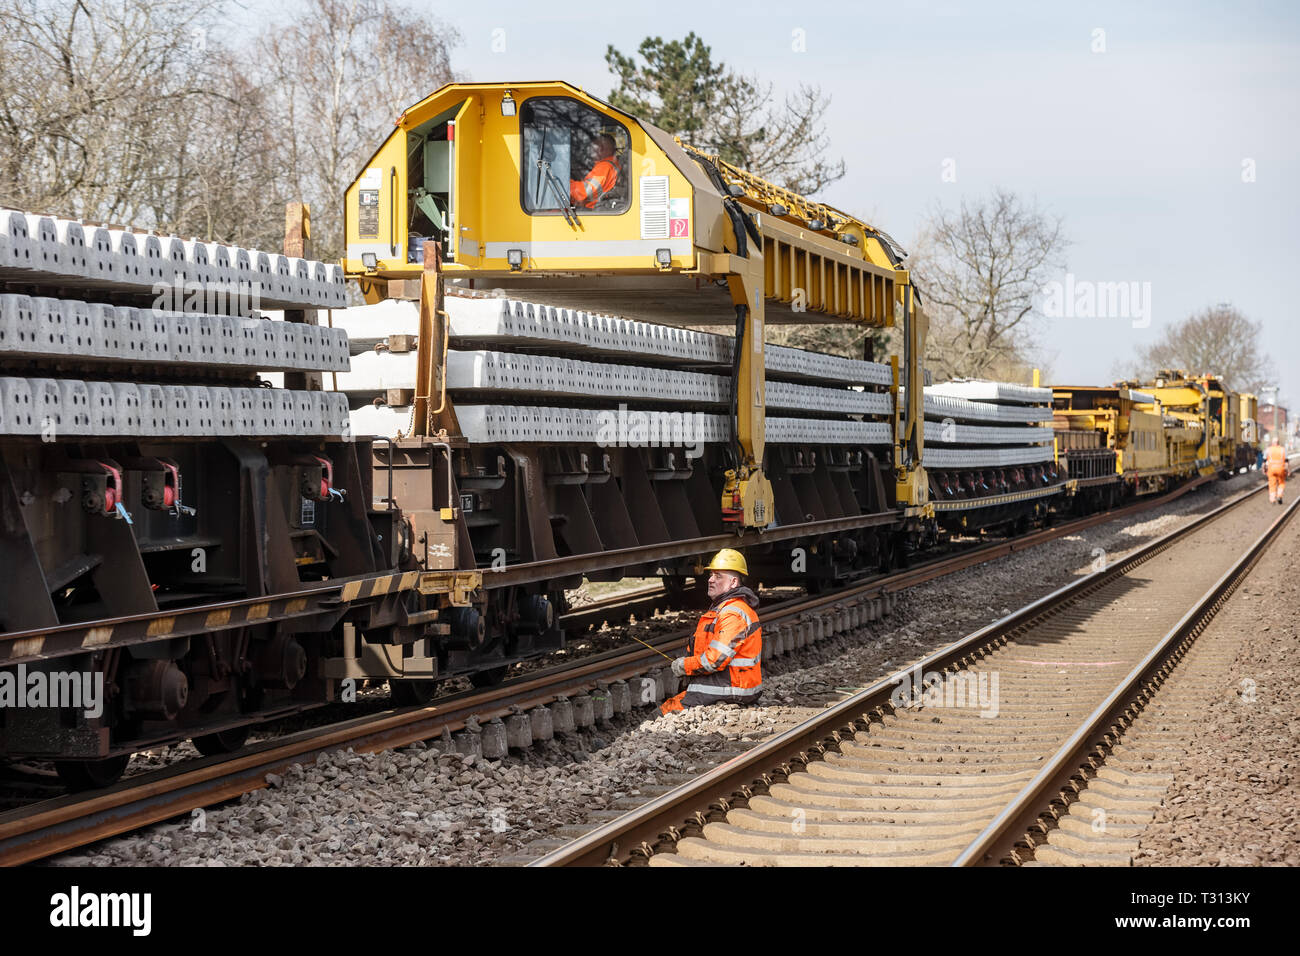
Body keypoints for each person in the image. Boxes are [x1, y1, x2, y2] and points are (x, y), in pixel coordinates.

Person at [661, 549, 762, 715]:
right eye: (711, 575)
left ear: (733, 582)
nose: (710, 580)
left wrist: (684, 666)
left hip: (731, 688)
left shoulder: (733, 613)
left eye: (718, 576)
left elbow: (715, 660)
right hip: (729, 684)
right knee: (669, 707)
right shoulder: (726, 607)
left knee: (664, 714)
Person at [569, 133, 618, 209]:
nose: (589, 150)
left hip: (593, 212)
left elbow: (586, 192)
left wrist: (566, 185)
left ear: (600, 148)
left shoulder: (605, 167)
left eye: (592, 147)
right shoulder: (613, 164)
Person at [1264, 440, 1288, 504]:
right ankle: (1279, 496)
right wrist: (1287, 470)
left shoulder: (1268, 449)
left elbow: (1264, 461)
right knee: (1281, 482)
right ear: (1278, 443)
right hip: (1280, 469)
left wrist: (1264, 469)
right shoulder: (1282, 449)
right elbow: (1286, 461)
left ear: (1272, 443)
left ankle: (1272, 499)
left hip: (1271, 469)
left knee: (1272, 484)